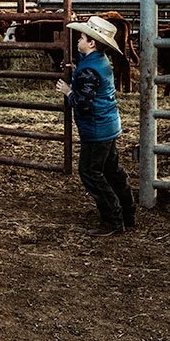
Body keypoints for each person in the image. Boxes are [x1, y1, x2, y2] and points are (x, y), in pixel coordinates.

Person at [55, 15, 136, 237]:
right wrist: (76, 68)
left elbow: (84, 104)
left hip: (96, 129)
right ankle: (128, 214)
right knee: (112, 170)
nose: (78, 41)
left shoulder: (89, 70)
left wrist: (69, 91)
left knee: (90, 172)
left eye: (81, 37)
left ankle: (113, 219)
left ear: (91, 42)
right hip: (108, 125)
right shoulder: (98, 61)